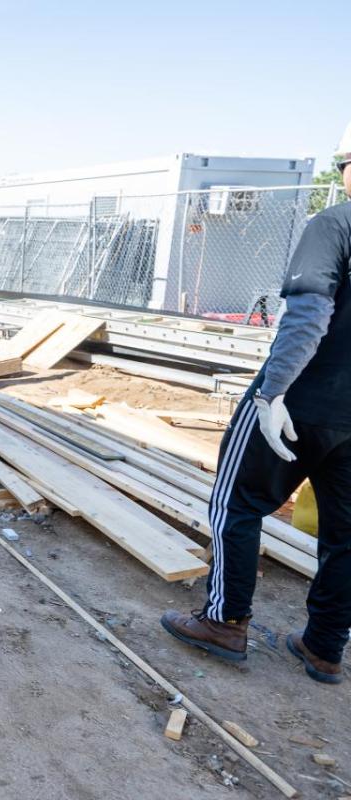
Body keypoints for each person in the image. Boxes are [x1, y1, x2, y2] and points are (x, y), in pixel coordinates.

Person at [160, 122, 351, 684]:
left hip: (301, 402)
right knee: (345, 535)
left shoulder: (337, 223)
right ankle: (323, 647)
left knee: (235, 505)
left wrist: (272, 392)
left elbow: (309, 316)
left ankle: (224, 622)